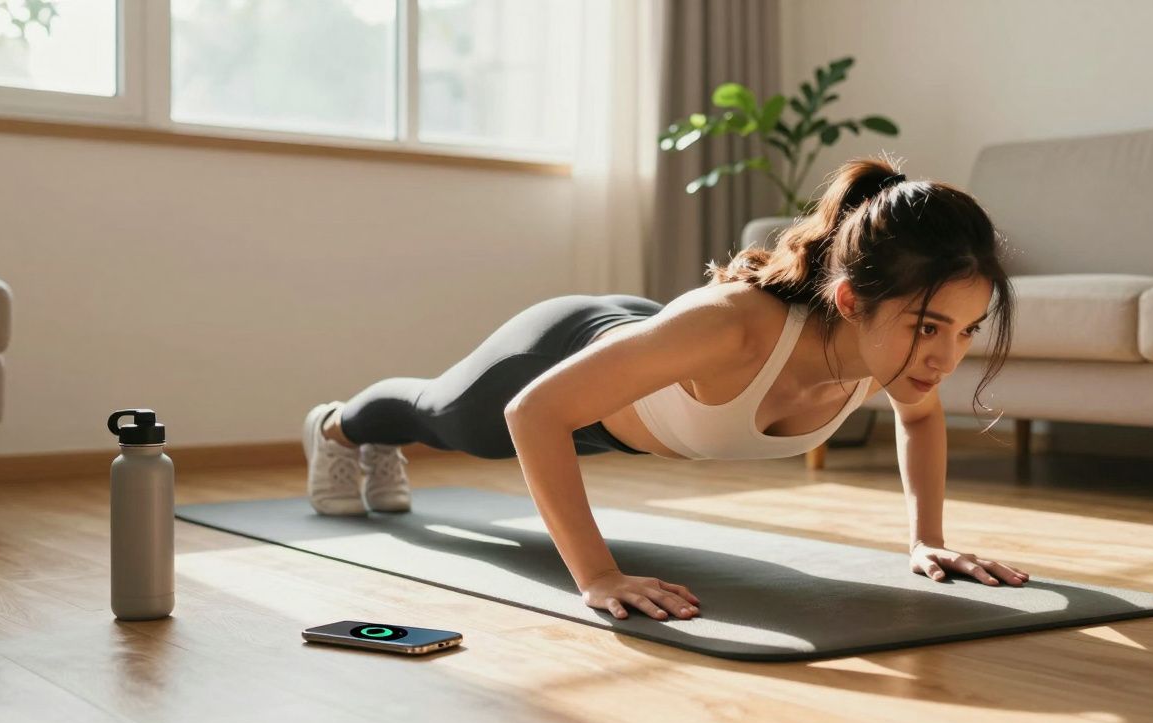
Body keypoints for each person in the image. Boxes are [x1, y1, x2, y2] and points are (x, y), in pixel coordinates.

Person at [301, 154, 1030, 623]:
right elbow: (534, 411)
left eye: (966, 331)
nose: (945, 358)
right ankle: (336, 426)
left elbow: (921, 420)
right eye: (929, 327)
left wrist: (926, 540)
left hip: (648, 369)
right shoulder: (738, 328)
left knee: (456, 425)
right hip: (556, 351)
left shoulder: (888, 350)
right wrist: (598, 575)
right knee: (440, 418)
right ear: (849, 301)